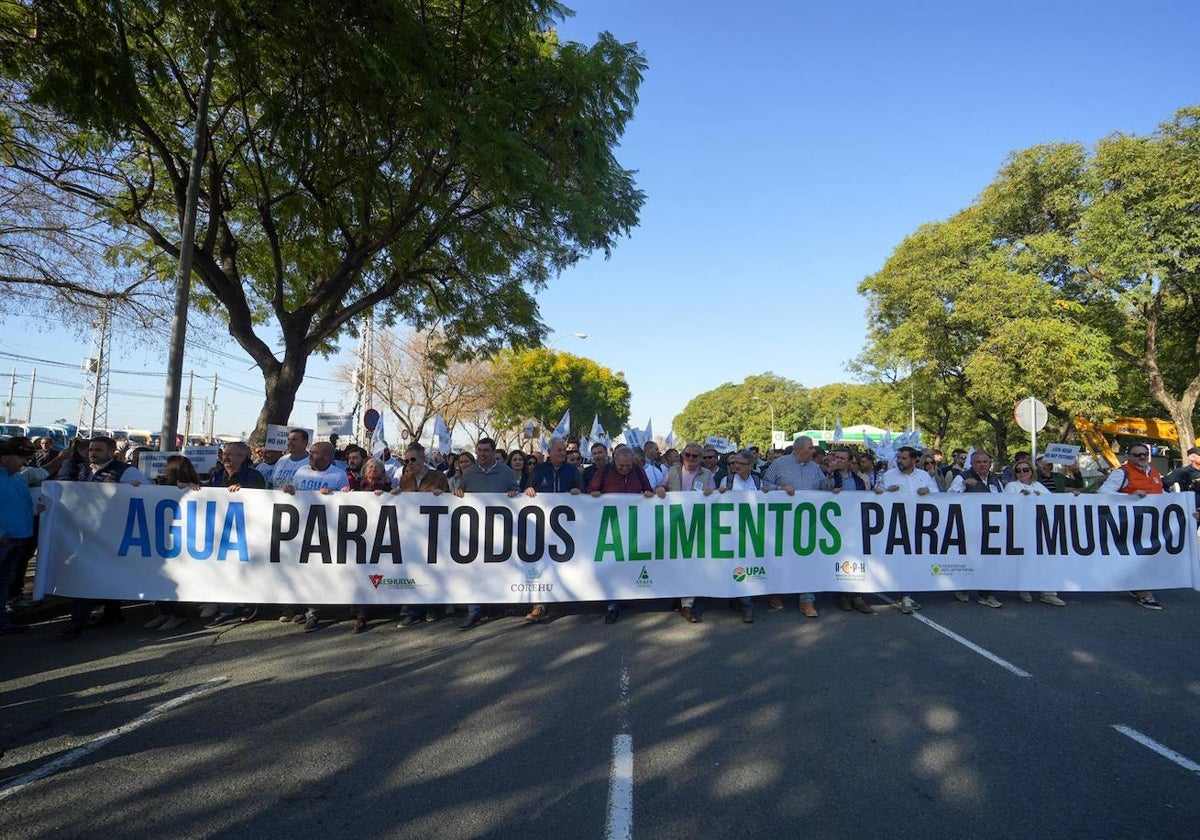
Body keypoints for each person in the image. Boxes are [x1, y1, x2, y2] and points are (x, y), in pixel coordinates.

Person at [58, 437, 148, 639]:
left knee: (90, 576)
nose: (93, 453)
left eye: (98, 450)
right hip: (88, 531)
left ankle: (76, 624)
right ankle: (112, 614)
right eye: (91, 449)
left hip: (112, 533)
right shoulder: (85, 470)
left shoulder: (126, 471)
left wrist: (135, 489)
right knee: (104, 573)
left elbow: (146, 494)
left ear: (111, 452)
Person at [280, 442, 349, 631]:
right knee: (301, 570)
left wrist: (334, 495)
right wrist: (289, 490)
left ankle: (314, 612)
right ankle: (303, 605)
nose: (310, 455)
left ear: (327, 457)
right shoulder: (301, 470)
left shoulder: (338, 475)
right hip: (301, 528)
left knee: (317, 571)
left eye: (315, 453)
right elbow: (294, 492)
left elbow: (347, 501)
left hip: (325, 531)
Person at [199, 442, 268, 628]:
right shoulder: (217, 474)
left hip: (245, 532)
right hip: (220, 531)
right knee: (222, 569)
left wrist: (243, 493)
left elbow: (261, 500)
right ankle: (226, 608)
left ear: (242, 457)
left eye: (231, 454)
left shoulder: (253, 476)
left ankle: (239, 608)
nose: (225, 457)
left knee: (239, 570)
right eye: (224, 454)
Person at [453, 438, 520, 629]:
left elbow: (517, 493)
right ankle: (474, 610)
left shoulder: (506, 472)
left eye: (486, 451)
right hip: (475, 532)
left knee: (499, 568)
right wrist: (458, 493)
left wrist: (515, 493)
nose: (482, 454)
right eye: (479, 450)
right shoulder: (469, 473)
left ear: (493, 452)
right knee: (474, 570)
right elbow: (460, 494)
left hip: (500, 531)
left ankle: (501, 604)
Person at [587, 444, 654, 623]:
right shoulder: (604, 470)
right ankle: (612, 605)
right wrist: (594, 493)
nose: (625, 469)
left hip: (633, 524)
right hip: (610, 525)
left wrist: (648, 493)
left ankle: (629, 594)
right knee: (612, 562)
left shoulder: (638, 471)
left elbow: (648, 489)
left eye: (628, 466)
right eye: (621, 466)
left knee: (630, 561)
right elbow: (591, 489)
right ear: (614, 462)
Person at [761, 436, 825, 616]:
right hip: (782, 521)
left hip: (808, 522)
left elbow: (824, 488)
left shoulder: (816, 468)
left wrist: (831, 479)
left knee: (807, 559)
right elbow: (764, 484)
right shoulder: (780, 463)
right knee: (780, 558)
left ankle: (807, 601)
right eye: (811, 448)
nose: (814, 451)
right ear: (799, 450)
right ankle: (776, 593)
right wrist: (779, 490)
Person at [521, 436, 583, 622]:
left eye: (565, 450)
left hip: (567, 529)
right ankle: (540, 606)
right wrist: (528, 491)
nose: (564, 453)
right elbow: (527, 490)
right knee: (542, 564)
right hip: (542, 527)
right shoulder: (539, 470)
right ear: (550, 452)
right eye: (560, 450)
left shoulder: (572, 471)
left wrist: (577, 492)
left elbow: (582, 491)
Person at [873, 445, 939, 614]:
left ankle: (906, 593)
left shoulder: (924, 475)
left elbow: (938, 494)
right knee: (901, 558)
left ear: (914, 459)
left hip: (920, 525)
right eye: (899, 458)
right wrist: (887, 492)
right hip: (896, 525)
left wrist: (928, 491)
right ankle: (905, 595)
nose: (900, 461)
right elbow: (875, 493)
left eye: (904, 458)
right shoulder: (889, 475)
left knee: (913, 559)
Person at [1099, 445, 1165, 609]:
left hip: (1151, 523)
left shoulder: (1154, 473)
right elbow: (1103, 493)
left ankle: (1137, 586)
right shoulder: (1122, 473)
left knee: (1148, 555)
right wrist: (1129, 496)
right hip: (1129, 523)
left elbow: (1162, 495)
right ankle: (1143, 592)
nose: (1141, 457)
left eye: (1144, 454)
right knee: (1138, 555)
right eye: (1137, 455)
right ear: (1129, 456)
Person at [656, 443, 715, 623]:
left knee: (691, 562)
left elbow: (717, 494)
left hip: (696, 524)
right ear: (682, 456)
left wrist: (710, 492)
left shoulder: (707, 475)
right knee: (674, 561)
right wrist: (659, 488)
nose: (691, 459)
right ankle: (678, 597)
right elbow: (661, 486)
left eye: (695, 456)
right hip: (673, 523)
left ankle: (687, 605)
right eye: (688, 455)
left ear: (700, 458)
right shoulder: (673, 471)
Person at [393, 444, 450, 628]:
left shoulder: (438, 477)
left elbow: (449, 499)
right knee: (412, 569)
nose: (409, 464)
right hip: (412, 531)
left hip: (434, 531)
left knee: (432, 568)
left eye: (413, 460)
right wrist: (395, 495)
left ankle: (432, 606)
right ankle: (413, 611)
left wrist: (442, 495)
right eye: (406, 460)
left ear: (422, 459)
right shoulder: (404, 479)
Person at [1003, 461, 1067, 606]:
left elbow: (1054, 501)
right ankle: (1024, 588)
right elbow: (1007, 504)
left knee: (1046, 559)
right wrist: (1020, 497)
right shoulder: (1011, 486)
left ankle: (1049, 592)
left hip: (1041, 527)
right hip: (1022, 528)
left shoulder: (1038, 486)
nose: (1022, 473)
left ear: (1031, 471)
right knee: (1025, 559)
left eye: (1025, 470)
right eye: (1018, 471)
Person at [948, 450, 1005, 608]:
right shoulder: (963, 477)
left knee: (988, 560)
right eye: (978, 462)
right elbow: (949, 497)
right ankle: (962, 588)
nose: (982, 465)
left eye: (985, 462)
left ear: (989, 463)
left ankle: (986, 594)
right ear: (972, 464)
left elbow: (1005, 499)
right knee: (967, 558)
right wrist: (963, 486)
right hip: (969, 526)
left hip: (990, 527)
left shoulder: (995, 479)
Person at [821, 447, 874, 615]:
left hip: (855, 524)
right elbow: (820, 491)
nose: (838, 460)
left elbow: (867, 497)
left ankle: (856, 594)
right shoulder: (829, 475)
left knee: (856, 557)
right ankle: (842, 593)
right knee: (839, 558)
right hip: (835, 524)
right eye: (836, 457)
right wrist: (830, 477)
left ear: (850, 461)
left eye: (842, 458)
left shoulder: (859, 480)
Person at [716, 449, 766, 622]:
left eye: (740, 464)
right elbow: (717, 498)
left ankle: (746, 604)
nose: (736, 466)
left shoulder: (758, 480)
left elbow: (771, 492)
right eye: (734, 463)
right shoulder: (727, 480)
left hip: (752, 529)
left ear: (750, 466)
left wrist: (782, 490)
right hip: (731, 529)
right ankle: (737, 598)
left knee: (746, 564)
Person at [0, 437, 37, 634]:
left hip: (19, 539)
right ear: (5, 458)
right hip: (4, 540)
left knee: (5, 582)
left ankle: (2, 621)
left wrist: (37, 510)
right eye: (20, 458)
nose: (24, 462)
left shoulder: (19, 478)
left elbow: (22, 505)